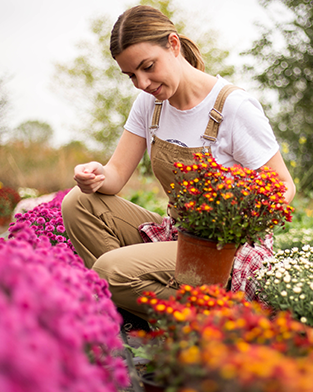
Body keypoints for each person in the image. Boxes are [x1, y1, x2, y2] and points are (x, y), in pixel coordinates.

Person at [61, 5, 295, 326]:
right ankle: (144, 301)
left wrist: (234, 226)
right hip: (177, 233)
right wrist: (95, 175)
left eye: (147, 67)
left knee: (109, 271)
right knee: (79, 202)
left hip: (222, 249)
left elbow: (284, 186)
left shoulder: (233, 107)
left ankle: (219, 320)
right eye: (131, 75)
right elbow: (115, 177)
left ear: (173, 45)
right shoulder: (150, 104)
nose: (141, 83)